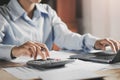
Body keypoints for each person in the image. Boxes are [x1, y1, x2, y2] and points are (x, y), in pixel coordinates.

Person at [0, 0, 119, 60]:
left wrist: (94, 42)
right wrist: (14, 50)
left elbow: (66, 37)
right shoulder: (3, 14)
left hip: (44, 73)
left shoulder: (48, 12)